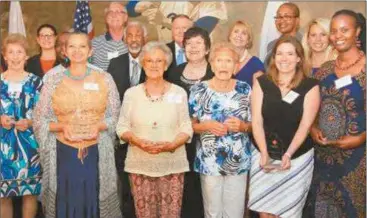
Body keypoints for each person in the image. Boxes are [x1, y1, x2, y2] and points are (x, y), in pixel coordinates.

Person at [33, 32, 121, 218]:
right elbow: (40, 119)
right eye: (72, 46)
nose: (77, 51)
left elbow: (115, 117)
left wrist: (98, 127)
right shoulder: (52, 80)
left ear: (90, 51)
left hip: (96, 151)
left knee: (95, 198)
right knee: (66, 199)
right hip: (63, 152)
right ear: (65, 51)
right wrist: (62, 128)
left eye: (82, 46)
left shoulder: (105, 79)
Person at [116, 41, 193, 218]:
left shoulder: (179, 92)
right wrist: (138, 141)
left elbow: (186, 126)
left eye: (159, 61)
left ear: (166, 65)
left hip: (172, 164)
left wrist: (172, 144)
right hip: (140, 163)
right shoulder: (131, 94)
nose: (154, 65)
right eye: (149, 61)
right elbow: (121, 127)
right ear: (143, 64)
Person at [248, 35, 320, 218]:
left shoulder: (310, 86)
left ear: (298, 58)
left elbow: (305, 125)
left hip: (296, 157)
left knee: (288, 211)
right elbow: (256, 120)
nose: (284, 58)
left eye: (290, 53)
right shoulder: (262, 82)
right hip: (263, 153)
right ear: (274, 57)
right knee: (264, 209)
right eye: (279, 53)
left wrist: (288, 154)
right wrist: (264, 152)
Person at [308, 10, 366, 218]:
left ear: (357, 31)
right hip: (323, 159)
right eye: (333, 31)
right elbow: (313, 108)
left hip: (358, 161)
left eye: (344, 30)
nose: (337, 36)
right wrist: (313, 127)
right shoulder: (325, 70)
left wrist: (361, 137)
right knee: (323, 209)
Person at [188, 42, 252, 218]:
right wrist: (205, 126)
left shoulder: (245, 89)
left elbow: (255, 125)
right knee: (212, 212)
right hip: (209, 162)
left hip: (238, 161)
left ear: (236, 66)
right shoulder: (198, 89)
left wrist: (243, 126)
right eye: (219, 60)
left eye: (229, 61)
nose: (223, 65)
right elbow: (189, 125)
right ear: (212, 64)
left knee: (235, 212)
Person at [167, 26, 214, 218]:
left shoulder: (216, 72)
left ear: (207, 48)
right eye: (189, 43)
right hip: (179, 142)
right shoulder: (173, 73)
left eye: (198, 43)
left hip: (208, 140)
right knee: (184, 188)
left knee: (207, 192)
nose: (193, 47)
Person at [107, 20, 148, 218]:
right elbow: (110, 97)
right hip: (122, 134)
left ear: (144, 38)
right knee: (125, 181)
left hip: (148, 131)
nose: (134, 39)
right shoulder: (115, 64)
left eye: (137, 35)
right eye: (130, 35)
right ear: (124, 39)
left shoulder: (154, 61)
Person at [0, 33, 43, 218]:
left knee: (30, 193)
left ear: (26, 56)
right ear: (5, 56)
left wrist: (31, 121)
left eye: (20, 52)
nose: (15, 56)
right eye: (11, 52)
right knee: (3, 196)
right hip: (3, 147)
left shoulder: (36, 82)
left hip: (30, 147)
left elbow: (44, 114)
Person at [92, 2, 129, 71]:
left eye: (118, 12)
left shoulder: (134, 41)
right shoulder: (95, 43)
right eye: (110, 12)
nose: (114, 15)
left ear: (125, 18)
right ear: (106, 18)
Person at [264, 3, 303, 68]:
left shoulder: (305, 43)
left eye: (287, 17)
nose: (282, 20)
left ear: (297, 21)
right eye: (279, 17)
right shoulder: (271, 45)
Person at [228, 20, 265, 87]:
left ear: (248, 40)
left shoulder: (256, 64)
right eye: (236, 31)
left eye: (244, 33)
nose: (239, 36)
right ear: (230, 36)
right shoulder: (220, 60)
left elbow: (259, 94)